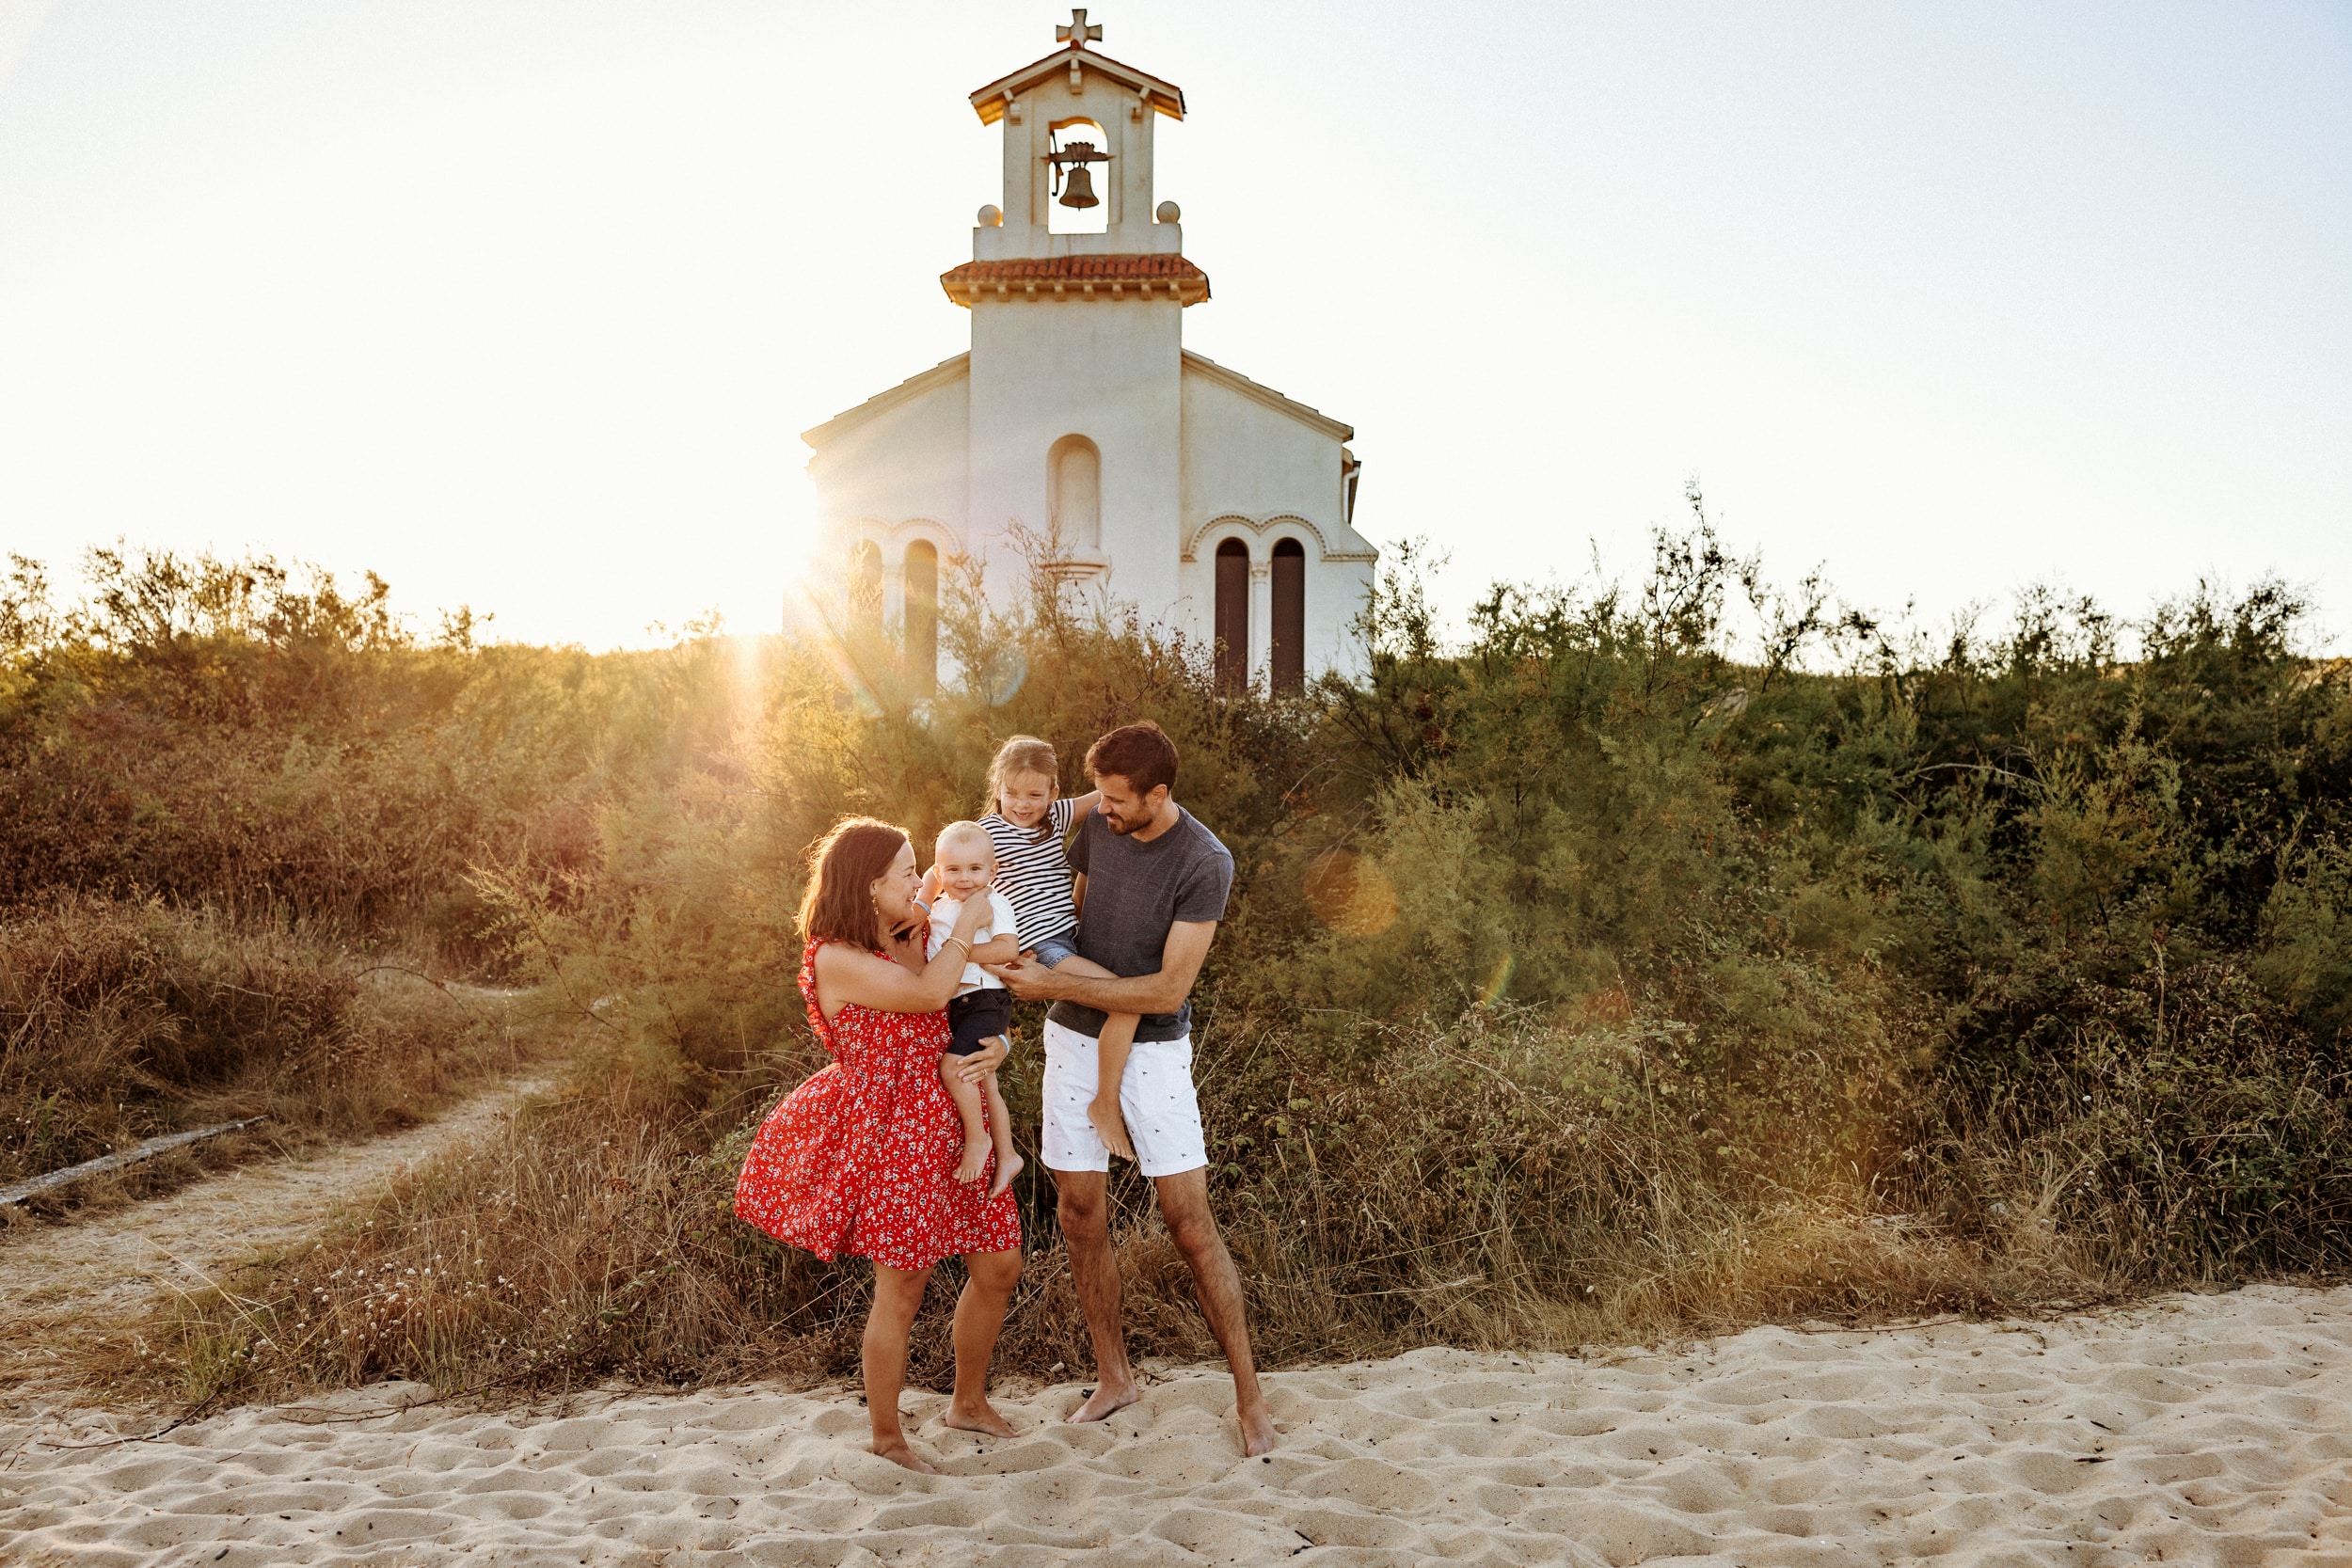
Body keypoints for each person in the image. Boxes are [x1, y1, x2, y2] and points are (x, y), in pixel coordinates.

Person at [993, 721, 1277, 1457]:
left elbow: (1172, 986)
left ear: (1159, 793)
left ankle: (1249, 1395)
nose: (1102, 812)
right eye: (1102, 799)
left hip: (1156, 1052)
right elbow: (1077, 921)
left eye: (1117, 800)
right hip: (1072, 1035)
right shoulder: (1103, 825)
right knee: (1080, 1209)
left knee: (1188, 1220)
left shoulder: (1204, 861)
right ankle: (1114, 1375)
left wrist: (1047, 980)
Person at [733, 816, 1023, 1473]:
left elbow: (970, 1003)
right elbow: (929, 992)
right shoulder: (836, 956)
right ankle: (888, 1435)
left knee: (1000, 1264)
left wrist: (999, 1041)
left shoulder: (909, 934)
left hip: (955, 1112)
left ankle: (968, 1401)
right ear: (868, 887)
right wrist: (970, 915)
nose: (923, 879)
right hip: (895, 1131)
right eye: (905, 871)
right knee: (903, 1288)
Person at [969, 736, 1142, 1161]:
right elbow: (945, 872)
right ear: (997, 790)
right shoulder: (985, 833)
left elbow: (1108, 792)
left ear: (1053, 793)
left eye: (1034, 793)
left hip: (1071, 934)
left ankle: (1104, 1097)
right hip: (1041, 948)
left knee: (1119, 1000)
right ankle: (1104, 1105)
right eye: (1011, 793)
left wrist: (1142, 760)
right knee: (1127, 999)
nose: (1022, 804)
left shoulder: (1057, 817)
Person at [924, 820, 1025, 1200]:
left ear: (992, 871)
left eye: (974, 869)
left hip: (986, 999)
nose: (964, 878)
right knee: (985, 1080)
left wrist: (960, 952)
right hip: (959, 1003)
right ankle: (1009, 1153)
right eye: (953, 869)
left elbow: (1006, 950)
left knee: (954, 1068)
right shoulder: (940, 908)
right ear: (937, 872)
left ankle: (978, 1140)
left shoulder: (991, 901)